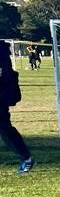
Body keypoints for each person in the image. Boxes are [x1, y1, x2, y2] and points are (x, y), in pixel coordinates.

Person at [0, 43, 32, 172]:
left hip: (1, 99)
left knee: (5, 129)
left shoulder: (2, 55)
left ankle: (27, 158)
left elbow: (6, 75)